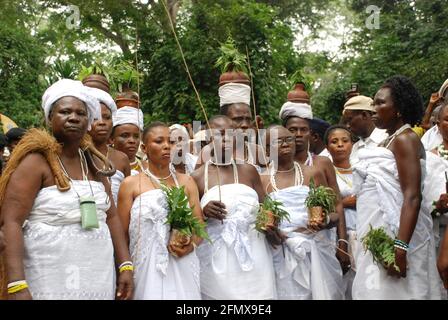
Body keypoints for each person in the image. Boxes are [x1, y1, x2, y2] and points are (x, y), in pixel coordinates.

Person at [0, 79, 133, 300]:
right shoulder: (35, 161)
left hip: (97, 275)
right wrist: (17, 284)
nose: (73, 117)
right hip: (48, 277)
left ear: (89, 120)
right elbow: (11, 222)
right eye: (65, 112)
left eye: (81, 113)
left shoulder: (94, 162)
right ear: (50, 118)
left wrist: (125, 266)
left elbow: (111, 217)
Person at [352, 75, 441, 300]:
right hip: (381, 234)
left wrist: (400, 247)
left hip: (400, 237)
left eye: (380, 103)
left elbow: (412, 196)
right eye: (373, 102)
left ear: (399, 109)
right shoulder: (389, 140)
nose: (374, 109)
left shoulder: (406, 139)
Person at [191, 115, 276, 300]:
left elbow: (266, 205)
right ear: (208, 139)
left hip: (255, 251)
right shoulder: (197, 176)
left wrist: (269, 222)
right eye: (220, 134)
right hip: (217, 256)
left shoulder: (249, 170)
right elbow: (191, 221)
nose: (228, 139)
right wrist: (204, 213)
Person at [117, 122, 203, 299]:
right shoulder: (130, 184)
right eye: (159, 141)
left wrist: (190, 246)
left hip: (182, 263)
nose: (167, 146)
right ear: (144, 147)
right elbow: (122, 234)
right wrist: (124, 268)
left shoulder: (187, 181)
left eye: (171, 142)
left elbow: (199, 225)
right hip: (146, 265)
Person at [261, 125, 344, 300]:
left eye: (288, 139)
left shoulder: (313, 173)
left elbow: (334, 213)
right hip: (281, 253)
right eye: (278, 140)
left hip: (317, 249)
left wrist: (325, 220)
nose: (285, 143)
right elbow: (261, 220)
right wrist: (271, 232)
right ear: (267, 149)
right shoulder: (262, 180)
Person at [279, 101, 351, 275]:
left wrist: (342, 242)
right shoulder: (274, 167)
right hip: (285, 247)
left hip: (321, 242)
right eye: (292, 130)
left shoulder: (322, 163)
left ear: (310, 134)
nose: (298, 134)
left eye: (303, 130)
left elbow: (337, 203)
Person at [324, 125, 360, 299]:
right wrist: (344, 203)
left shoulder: (362, 169)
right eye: (334, 141)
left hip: (363, 230)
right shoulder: (325, 172)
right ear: (327, 147)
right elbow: (324, 205)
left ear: (352, 144)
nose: (340, 145)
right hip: (340, 233)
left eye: (345, 141)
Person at [87, 87, 130, 204]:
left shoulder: (122, 159)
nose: (102, 122)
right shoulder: (78, 156)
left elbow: (127, 201)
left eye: (107, 117)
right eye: (95, 118)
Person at [219, 83, 266, 169]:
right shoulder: (209, 153)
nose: (245, 125)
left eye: (248, 119)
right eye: (237, 119)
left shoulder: (259, 153)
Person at [342, 95, 388, 165]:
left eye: (350, 119)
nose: (347, 126)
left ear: (364, 115)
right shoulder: (354, 148)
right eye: (346, 122)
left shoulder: (387, 138)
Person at [111, 106, 145, 175]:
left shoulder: (147, 168)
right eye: (125, 136)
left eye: (136, 136)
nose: (132, 141)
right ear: (111, 139)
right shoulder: (103, 166)